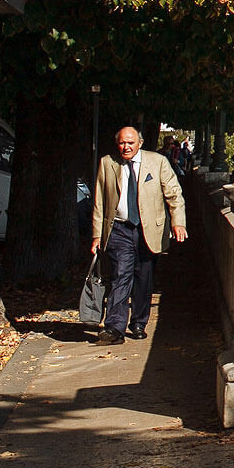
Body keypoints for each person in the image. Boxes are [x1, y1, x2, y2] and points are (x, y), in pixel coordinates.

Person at [88, 125, 187, 345]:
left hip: (148, 229)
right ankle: (114, 328)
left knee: (144, 277)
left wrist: (178, 223)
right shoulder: (108, 163)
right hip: (119, 229)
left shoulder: (158, 162)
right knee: (120, 276)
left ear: (139, 143)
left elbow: (174, 194)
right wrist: (97, 235)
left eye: (130, 143)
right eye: (122, 143)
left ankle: (139, 322)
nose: (126, 147)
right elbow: (99, 202)